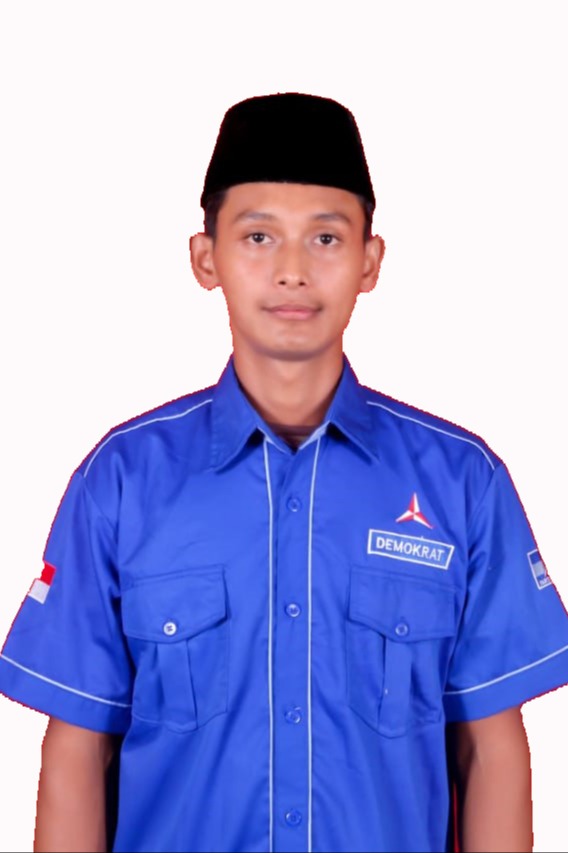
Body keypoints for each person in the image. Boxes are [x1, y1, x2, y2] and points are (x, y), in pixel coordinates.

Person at [1, 92, 567, 853]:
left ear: (370, 261)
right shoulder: (123, 481)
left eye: (326, 237)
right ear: (206, 258)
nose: (293, 271)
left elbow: (490, 748)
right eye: (259, 236)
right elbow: (77, 748)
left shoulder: (463, 483)